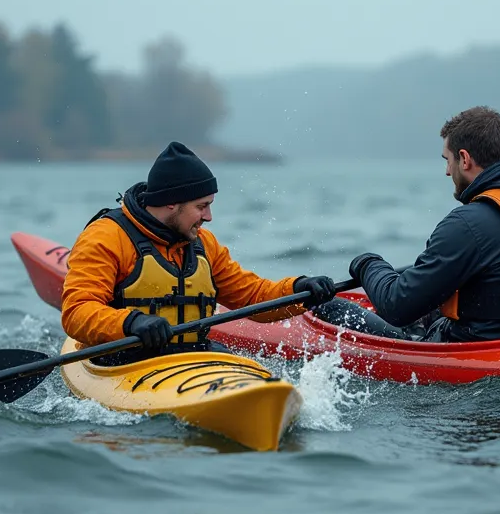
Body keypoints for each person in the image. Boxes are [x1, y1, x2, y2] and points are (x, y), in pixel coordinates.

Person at [61, 141, 337, 365]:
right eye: (201, 206)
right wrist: (131, 322)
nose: (209, 216)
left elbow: (252, 296)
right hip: (122, 361)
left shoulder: (204, 243)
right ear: (171, 203)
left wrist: (299, 290)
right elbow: (76, 312)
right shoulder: (106, 237)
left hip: (191, 358)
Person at [344, 106, 500, 342]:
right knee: (434, 310)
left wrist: (366, 264)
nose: (447, 171)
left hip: (483, 347)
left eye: (448, 160)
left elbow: (396, 305)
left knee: (332, 309)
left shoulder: (467, 223)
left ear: (464, 159)